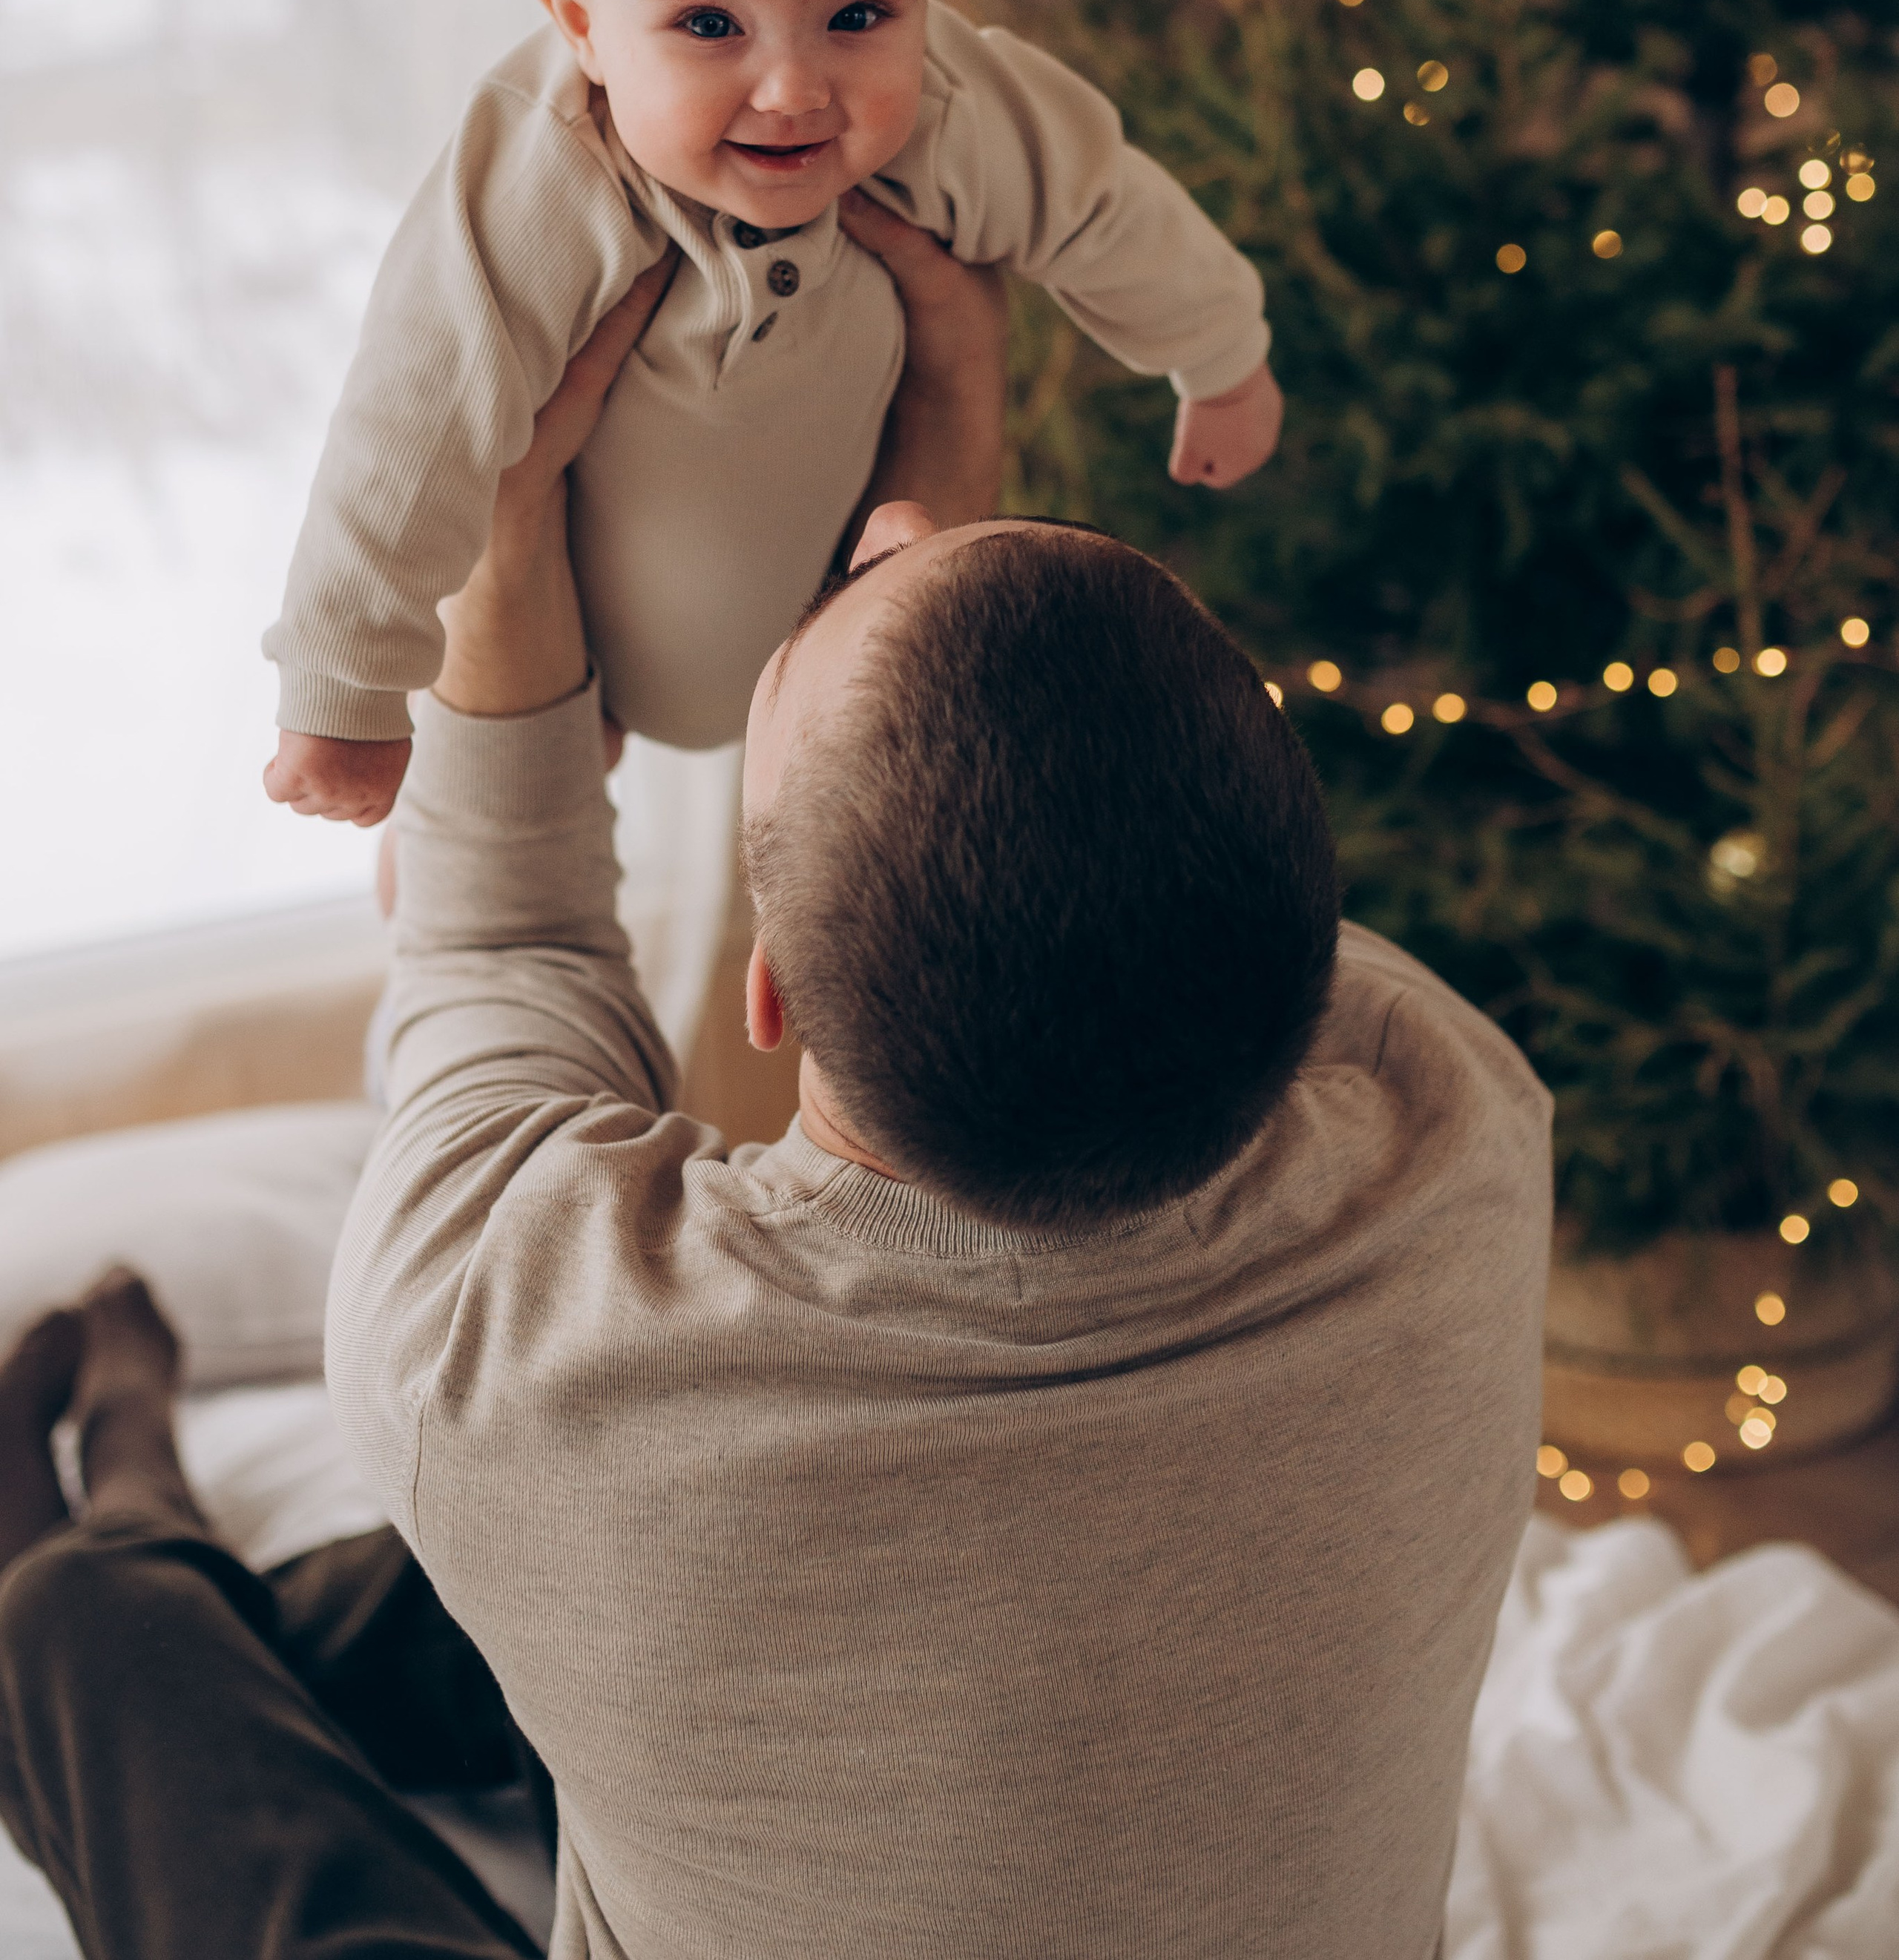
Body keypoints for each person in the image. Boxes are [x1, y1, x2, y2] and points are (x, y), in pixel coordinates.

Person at [0, 216, 1552, 1960]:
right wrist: (925, 534)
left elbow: (503, 947)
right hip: (802, 1628)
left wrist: (500, 558)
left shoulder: (504, 1366)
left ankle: (124, 1501)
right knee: (488, 1598)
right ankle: (224, 1579)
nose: (887, 531)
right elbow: (1073, 834)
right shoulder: (1458, 1131)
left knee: (82, 1633)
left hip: (653, 1579)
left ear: (769, 1000)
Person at [262, 0, 1282, 826]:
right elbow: (410, 426)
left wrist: (1218, 355)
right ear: (581, 22)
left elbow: (1099, 201)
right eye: (710, 25)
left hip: (825, 645)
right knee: (514, 747)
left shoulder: (952, 109)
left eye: (859, 18)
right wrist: (347, 688)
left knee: (863, 790)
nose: (794, 89)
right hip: (575, 644)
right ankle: (435, 833)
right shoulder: (542, 180)